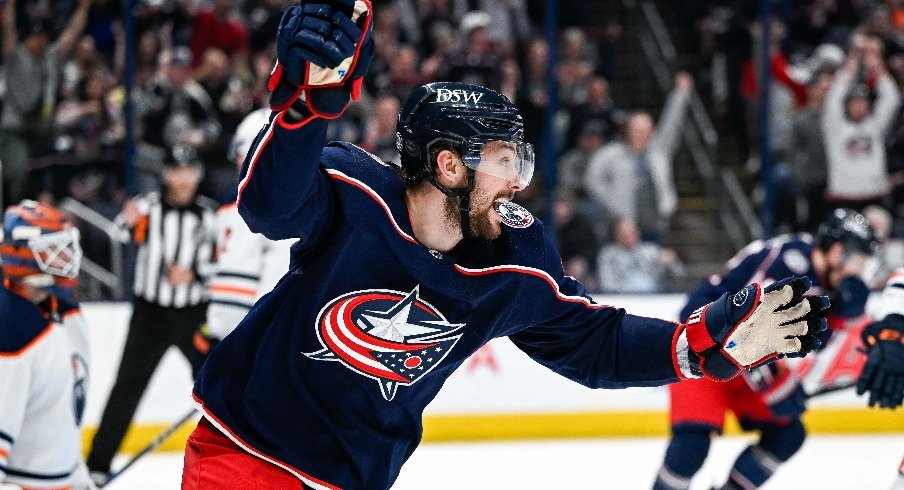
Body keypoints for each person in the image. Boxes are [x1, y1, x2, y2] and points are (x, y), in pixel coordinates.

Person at [183, 3, 828, 489]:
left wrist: (697, 344)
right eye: (502, 159)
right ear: (449, 165)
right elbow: (269, 208)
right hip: (247, 456)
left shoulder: (512, 257)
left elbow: (591, 340)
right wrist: (302, 113)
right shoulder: (356, 194)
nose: (520, 179)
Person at [653, 208, 879, 490]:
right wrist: (776, 386)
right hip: (701, 346)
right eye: (858, 260)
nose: (859, 271)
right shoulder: (791, 265)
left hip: (745, 362)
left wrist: (841, 315)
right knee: (692, 444)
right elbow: (747, 330)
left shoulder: (825, 282)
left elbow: (808, 341)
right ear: (836, 251)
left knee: (788, 434)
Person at [86, 145, 217, 483]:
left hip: (195, 315)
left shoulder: (209, 215)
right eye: (178, 171)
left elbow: (223, 263)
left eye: (191, 171)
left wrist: (194, 275)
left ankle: (234, 459)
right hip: (150, 315)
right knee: (126, 387)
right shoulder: (148, 208)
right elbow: (118, 233)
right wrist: (128, 221)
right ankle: (97, 466)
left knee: (218, 387)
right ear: (166, 174)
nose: (185, 179)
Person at [0, 201, 94, 489]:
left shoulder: (63, 311)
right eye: (54, 249)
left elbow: (60, 413)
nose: (67, 257)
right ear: (23, 257)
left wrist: (75, 474)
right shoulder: (12, 330)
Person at [195, 108, 293, 355]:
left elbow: (276, 276)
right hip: (233, 332)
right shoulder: (238, 200)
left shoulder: (276, 204)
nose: (239, 161)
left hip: (250, 335)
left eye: (244, 153)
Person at [0, 0, 92, 206]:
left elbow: (71, 34)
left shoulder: (51, 56)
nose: (40, 40)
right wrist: (11, 4)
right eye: (35, 36)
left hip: (44, 133)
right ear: (27, 37)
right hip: (15, 133)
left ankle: (52, 213)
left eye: (43, 35)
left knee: (61, 164)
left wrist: (84, 7)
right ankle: (15, 210)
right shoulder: (16, 55)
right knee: (18, 169)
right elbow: (8, 29)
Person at [584, 72, 693, 242]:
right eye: (639, 130)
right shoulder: (610, 153)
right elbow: (592, 179)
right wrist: (613, 206)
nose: (644, 134)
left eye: (648, 130)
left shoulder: (659, 152)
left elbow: (672, 124)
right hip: (623, 227)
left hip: (656, 224)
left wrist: (681, 95)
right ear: (628, 131)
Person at [821, 35, 901, 209]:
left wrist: (876, 62)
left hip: (875, 194)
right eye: (854, 102)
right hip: (842, 196)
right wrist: (854, 57)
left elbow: (891, 98)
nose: (859, 106)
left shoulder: (875, 125)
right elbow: (834, 96)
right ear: (847, 105)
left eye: (863, 102)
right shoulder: (834, 125)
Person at [597, 219, 683, 294]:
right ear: (616, 235)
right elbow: (606, 284)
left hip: (655, 297)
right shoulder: (608, 255)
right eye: (624, 234)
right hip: (623, 299)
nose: (629, 237)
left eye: (632, 233)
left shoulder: (651, 250)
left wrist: (672, 263)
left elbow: (679, 274)